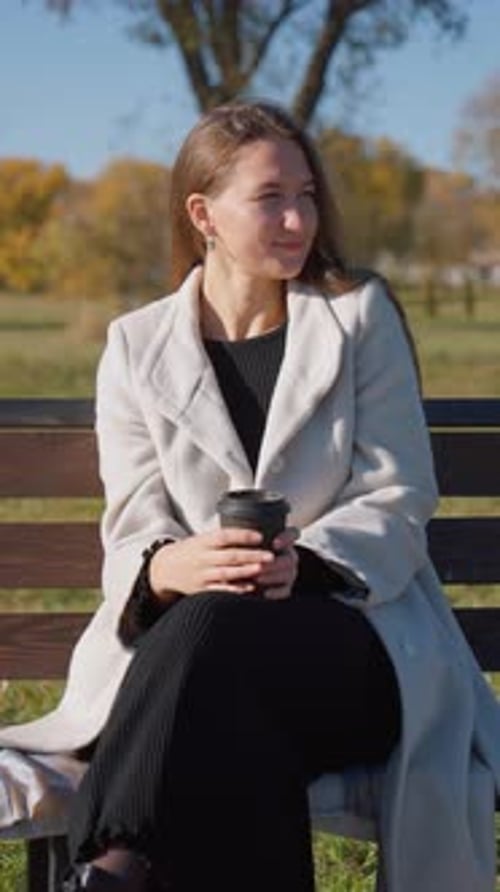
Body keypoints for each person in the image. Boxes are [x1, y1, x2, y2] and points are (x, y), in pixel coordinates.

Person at [1, 100, 500, 892]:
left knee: (217, 633)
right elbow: (135, 519)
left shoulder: (359, 316)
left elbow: (399, 495)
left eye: (306, 195)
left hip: (353, 642)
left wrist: (306, 564)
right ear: (204, 213)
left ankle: (108, 867)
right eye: (271, 198)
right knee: (225, 680)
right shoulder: (136, 346)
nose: (299, 217)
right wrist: (171, 568)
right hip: (205, 667)